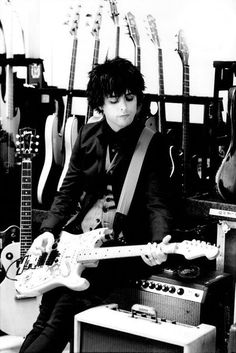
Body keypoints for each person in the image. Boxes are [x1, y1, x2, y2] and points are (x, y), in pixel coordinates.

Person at [19, 57, 174, 353]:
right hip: (76, 242)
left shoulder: (152, 144)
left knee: (60, 317)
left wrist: (159, 243)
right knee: (43, 319)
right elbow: (67, 191)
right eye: (114, 100)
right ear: (100, 103)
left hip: (115, 253)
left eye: (130, 98)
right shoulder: (87, 136)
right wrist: (49, 230)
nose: (124, 108)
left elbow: (158, 204)